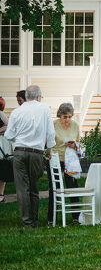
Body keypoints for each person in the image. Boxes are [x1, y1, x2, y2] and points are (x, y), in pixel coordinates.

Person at [4, 85, 55, 227]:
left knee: (22, 188)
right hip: (37, 153)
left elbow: (9, 135)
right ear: (38, 96)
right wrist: (49, 149)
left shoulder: (16, 112)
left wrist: (18, 140)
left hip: (20, 152)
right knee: (33, 186)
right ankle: (35, 220)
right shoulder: (44, 108)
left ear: (26, 97)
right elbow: (50, 132)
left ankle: (27, 222)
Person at [46, 103, 81, 224]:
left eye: (70, 117)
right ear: (59, 115)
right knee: (54, 188)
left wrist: (74, 145)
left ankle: (76, 217)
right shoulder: (53, 124)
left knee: (73, 187)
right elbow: (47, 141)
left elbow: (79, 143)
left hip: (70, 160)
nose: (67, 119)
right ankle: (52, 218)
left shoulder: (75, 125)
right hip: (55, 159)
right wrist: (48, 152)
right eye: (65, 117)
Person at [0, 97, 9, 203]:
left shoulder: (1, 114)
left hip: (1, 144)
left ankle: (1, 194)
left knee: (1, 170)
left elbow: (9, 125)